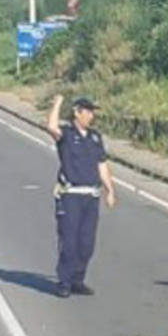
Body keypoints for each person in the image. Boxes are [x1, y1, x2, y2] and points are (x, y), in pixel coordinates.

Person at [46, 95, 116, 298]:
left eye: (92, 111)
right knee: (69, 241)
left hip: (90, 196)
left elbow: (101, 165)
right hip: (70, 195)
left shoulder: (95, 137)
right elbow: (51, 127)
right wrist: (58, 103)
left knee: (86, 244)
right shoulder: (66, 134)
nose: (91, 115)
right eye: (88, 111)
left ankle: (78, 279)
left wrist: (109, 190)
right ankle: (64, 281)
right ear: (77, 112)